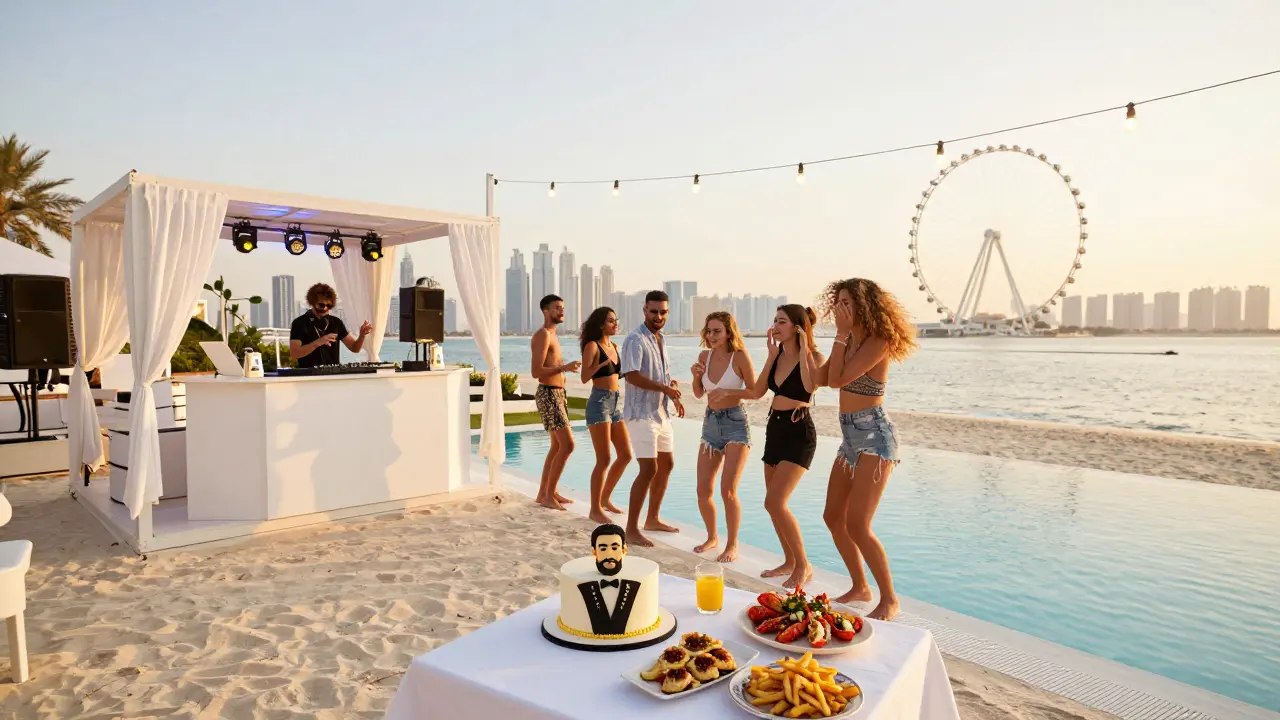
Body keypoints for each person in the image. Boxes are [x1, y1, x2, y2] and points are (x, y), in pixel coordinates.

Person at [820, 278, 917, 621]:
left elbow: (836, 380)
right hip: (849, 439)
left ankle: (889, 598)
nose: (841, 308)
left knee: (858, 523)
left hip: (874, 436)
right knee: (833, 517)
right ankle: (861, 587)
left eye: (848, 302)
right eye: (839, 301)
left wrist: (840, 335)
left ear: (864, 305)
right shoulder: (848, 340)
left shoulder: (880, 340)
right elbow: (819, 377)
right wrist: (795, 345)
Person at [743, 304, 826, 589]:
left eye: (782, 322)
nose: (775, 326)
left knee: (775, 502)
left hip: (799, 431)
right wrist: (769, 357)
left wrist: (803, 350)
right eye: (775, 320)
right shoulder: (776, 355)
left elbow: (808, 385)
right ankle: (789, 560)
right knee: (773, 506)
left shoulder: (814, 356)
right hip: (774, 428)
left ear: (798, 327)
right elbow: (756, 391)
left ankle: (804, 566)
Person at [688, 311, 756, 563]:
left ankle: (732, 544)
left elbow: (755, 391)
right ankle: (712, 536)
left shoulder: (739, 357)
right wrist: (696, 376)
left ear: (729, 332)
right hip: (710, 426)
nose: (711, 335)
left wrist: (727, 392)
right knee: (702, 490)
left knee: (728, 491)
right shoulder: (704, 356)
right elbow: (698, 393)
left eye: (717, 331)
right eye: (709, 330)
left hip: (736, 424)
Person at [619, 290, 685, 547]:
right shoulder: (635, 340)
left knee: (666, 464)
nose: (659, 316)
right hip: (640, 414)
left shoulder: (661, 339)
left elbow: (660, 376)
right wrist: (665, 388)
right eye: (654, 311)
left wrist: (672, 390)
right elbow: (632, 375)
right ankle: (632, 529)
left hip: (660, 413)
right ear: (644, 310)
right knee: (649, 468)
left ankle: (653, 518)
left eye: (663, 312)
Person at [580, 306, 632, 524]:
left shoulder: (614, 346)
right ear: (601, 324)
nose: (615, 323)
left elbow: (618, 376)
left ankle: (605, 499)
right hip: (599, 403)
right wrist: (599, 365)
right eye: (611, 320)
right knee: (604, 459)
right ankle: (594, 509)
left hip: (615, 403)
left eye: (616, 319)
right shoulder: (593, 346)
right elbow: (584, 377)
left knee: (626, 455)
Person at [530, 294, 582, 510]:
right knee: (567, 445)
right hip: (549, 393)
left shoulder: (553, 335)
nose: (561, 312)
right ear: (545, 311)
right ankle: (548, 495)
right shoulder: (543, 335)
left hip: (558, 394)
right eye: (557, 308)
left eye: (562, 308)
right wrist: (564, 368)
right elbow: (535, 371)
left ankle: (545, 492)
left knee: (556, 445)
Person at [289, 283, 373, 368]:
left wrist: (362, 335)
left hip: (333, 376)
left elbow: (355, 348)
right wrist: (318, 342)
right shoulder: (299, 323)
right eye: (321, 305)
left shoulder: (336, 322)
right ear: (312, 302)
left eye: (329, 305)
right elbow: (295, 353)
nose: (325, 308)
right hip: (309, 377)